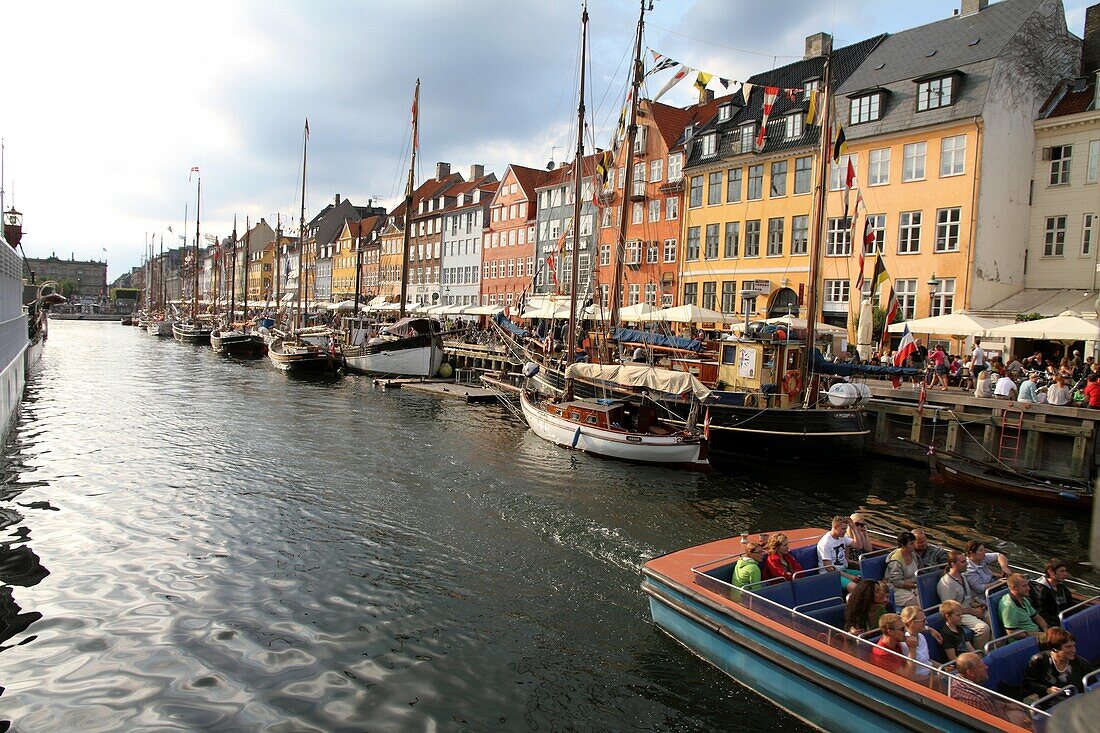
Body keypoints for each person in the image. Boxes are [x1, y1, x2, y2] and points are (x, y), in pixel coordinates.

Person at [951, 653, 1030, 726]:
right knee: (1021, 715)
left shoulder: (954, 682)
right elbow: (1003, 723)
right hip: (986, 725)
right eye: (981, 666)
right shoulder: (981, 698)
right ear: (970, 673)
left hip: (972, 720)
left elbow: (990, 704)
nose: (986, 667)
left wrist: (1007, 705)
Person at [937, 550, 992, 649]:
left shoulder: (962, 576)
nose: (967, 564)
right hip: (959, 613)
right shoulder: (947, 584)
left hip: (969, 608)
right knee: (983, 629)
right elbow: (950, 609)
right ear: (953, 564)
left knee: (993, 618)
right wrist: (972, 611)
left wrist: (978, 605)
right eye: (963, 562)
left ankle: (993, 648)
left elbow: (967, 597)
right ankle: (979, 654)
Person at [1024, 627, 1094, 703]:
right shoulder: (1039, 660)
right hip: (1050, 701)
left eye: (1074, 646)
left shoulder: (1081, 663)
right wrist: (1047, 690)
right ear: (1055, 648)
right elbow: (1030, 683)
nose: (1074, 650)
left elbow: (1092, 684)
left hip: (1077, 701)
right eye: (1068, 647)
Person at [901, 606, 942, 681]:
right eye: (922, 620)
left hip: (931, 673)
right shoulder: (904, 644)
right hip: (921, 680)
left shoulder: (921, 636)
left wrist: (943, 668)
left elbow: (927, 660)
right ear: (910, 622)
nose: (926, 623)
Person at [1030, 558, 1074, 628]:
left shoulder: (1062, 587)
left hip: (1064, 621)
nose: (1066, 574)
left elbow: (1070, 607)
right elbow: (1042, 614)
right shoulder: (1041, 590)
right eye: (1061, 571)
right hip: (1053, 626)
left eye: (1065, 571)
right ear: (1051, 572)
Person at [817, 516, 859, 583]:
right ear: (835, 527)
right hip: (830, 575)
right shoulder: (825, 543)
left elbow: (858, 546)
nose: (845, 531)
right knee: (854, 587)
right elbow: (829, 568)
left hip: (843, 570)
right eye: (843, 529)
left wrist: (854, 528)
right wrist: (849, 577)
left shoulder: (842, 537)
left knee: (866, 576)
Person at [885, 531, 921, 608]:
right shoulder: (896, 561)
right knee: (917, 603)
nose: (915, 545)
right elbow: (897, 582)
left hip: (912, 585)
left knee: (926, 596)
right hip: (896, 589)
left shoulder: (913, 555)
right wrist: (915, 586)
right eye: (911, 544)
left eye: (914, 542)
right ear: (903, 545)